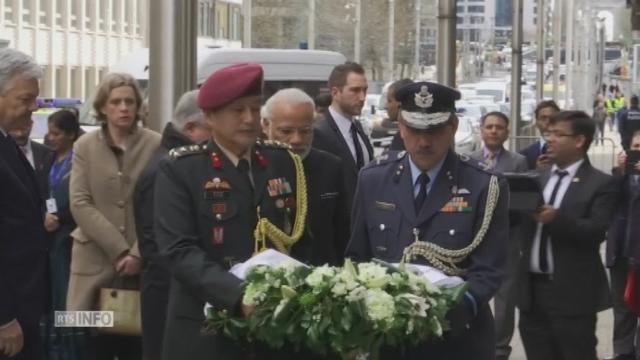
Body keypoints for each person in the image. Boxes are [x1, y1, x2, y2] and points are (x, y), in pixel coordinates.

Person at [346, 82, 509, 360]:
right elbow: (358, 256)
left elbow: (490, 268)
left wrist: (455, 306)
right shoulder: (373, 179)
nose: (423, 142)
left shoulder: (485, 184)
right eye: (415, 130)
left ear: (454, 127)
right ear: (400, 126)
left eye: (434, 131)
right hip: (388, 339)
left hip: (457, 337)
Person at [154, 63, 306, 360]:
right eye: (238, 110)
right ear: (210, 117)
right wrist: (238, 295)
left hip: (274, 327)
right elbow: (178, 250)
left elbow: (298, 236)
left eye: (254, 107)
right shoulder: (181, 169)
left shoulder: (281, 160)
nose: (249, 119)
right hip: (207, 327)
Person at [67, 73, 161, 360]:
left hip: (141, 264)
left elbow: (161, 204)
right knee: (92, 346)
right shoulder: (84, 146)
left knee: (138, 344)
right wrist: (118, 249)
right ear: (103, 107)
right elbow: (79, 202)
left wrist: (136, 253)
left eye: (130, 102)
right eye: (116, 102)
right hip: (95, 263)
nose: (124, 108)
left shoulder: (155, 144)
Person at [517, 110, 618, 360]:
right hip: (531, 294)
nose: (550, 139)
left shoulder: (600, 183)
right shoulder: (536, 178)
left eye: (558, 134)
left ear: (579, 140)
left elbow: (596, 230)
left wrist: (557, 219)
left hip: (572, 295)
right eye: (549, 133)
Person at [133, 89, 210, 360]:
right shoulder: (169, 168)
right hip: (168, 293)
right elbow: (162, 245)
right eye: (211, 128)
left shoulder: (178, 161)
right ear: (190, 128)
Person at [261, 88, 350, 265]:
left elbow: (343, 232)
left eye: (305, 131)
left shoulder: (331, 167)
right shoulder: (255, 167)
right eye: (286, 131)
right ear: (265, 125)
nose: (296, 140)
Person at [468, 111, 527, 360]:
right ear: (481, 130)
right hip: (472, 241)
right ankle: (473, 341)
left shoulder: (518, 162)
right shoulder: (468, 160)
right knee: (472, 290)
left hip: (507, 238)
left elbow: (524, 201)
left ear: (506, 132)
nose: (494, 131)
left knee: (505, 297)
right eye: (489, 126)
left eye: (499, 127)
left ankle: (500, 349)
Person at [0, 48, 46, 360]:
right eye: (25, 99)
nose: (33, 108)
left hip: (25, 304)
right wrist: (3, 316)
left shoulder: (7, 143)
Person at [40, 110, 88, 360]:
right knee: (52, 296)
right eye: (49, 132)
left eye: (56, 133)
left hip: (69, 237)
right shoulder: (47, 159)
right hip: (49, 239)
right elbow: (40, 193)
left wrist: (62, 218)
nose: (50, 137)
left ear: (71, 135)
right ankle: (53, 346)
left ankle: (73, 346)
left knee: (69, 295)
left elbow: (85, 200)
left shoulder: (80, 160)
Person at [312, 62, 374, 213]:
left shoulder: (358, 129)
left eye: (365, 90)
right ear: (335, 92)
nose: (362, 97)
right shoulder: (320, 133)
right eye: (355, 90)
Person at [605, 130, 640, 360]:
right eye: (636, 146)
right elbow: (608, 202)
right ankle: (623, 352)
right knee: (621, 307)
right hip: (620, 251)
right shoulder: (619, 177)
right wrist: (619, 171)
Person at [8, 117, 53, 198]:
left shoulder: (46, 152)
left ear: (31, 125)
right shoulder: (3, 153)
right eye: (15, 129)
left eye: (23, 128)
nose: (20, 134)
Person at [519, 100, 560, 170]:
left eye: (552, 118)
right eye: (543, 118)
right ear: (537, 123)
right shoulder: (523, 156)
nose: (548, 122)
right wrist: (537, 172)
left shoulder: (570, 152)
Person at [385, 78, 413, 151]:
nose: (386, 106)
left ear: (400, 104)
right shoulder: (401, 135)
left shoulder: (406, 138)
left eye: (389, 101)